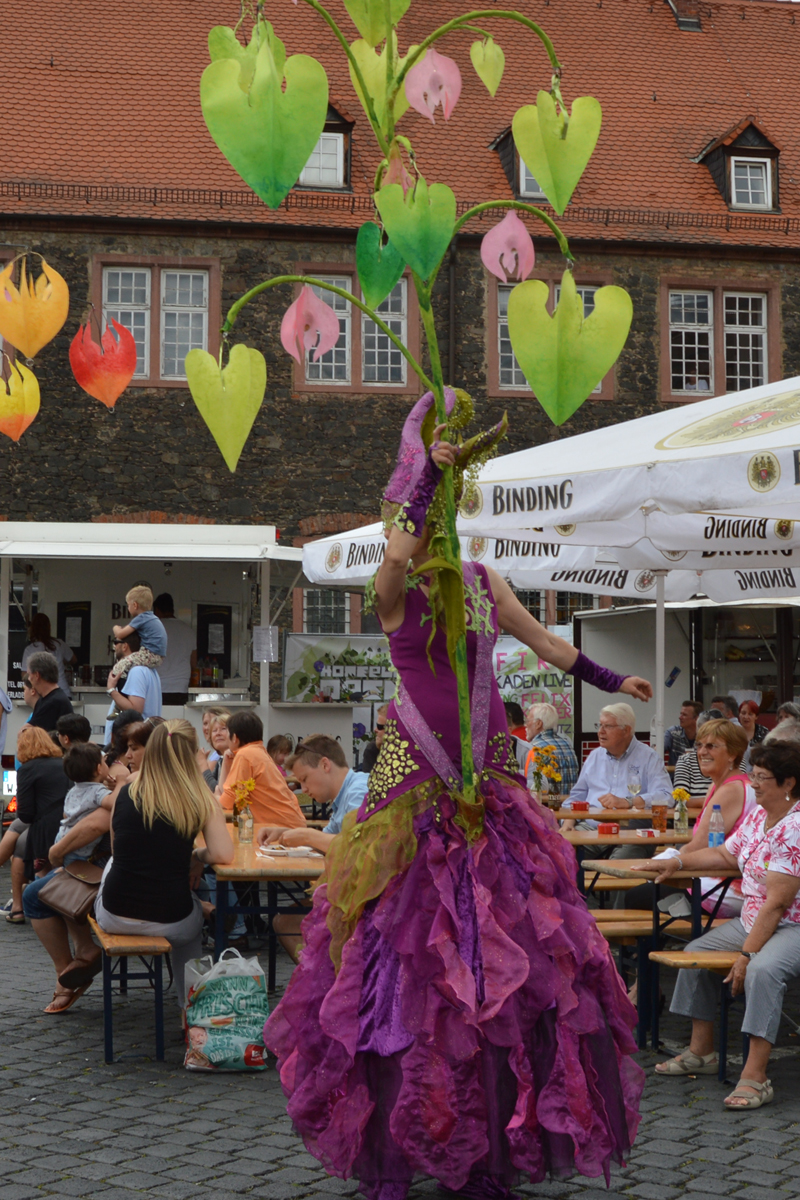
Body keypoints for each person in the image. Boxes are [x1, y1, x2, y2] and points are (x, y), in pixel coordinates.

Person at [265, 403, 650, 1199]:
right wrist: (429, 473)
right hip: (416, 789)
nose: (430, 530)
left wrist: (613, 682)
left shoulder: (480, 582)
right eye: (423, 518)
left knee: (514, 955)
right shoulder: (396, 590)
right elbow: (398, 553)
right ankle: (418, 1127)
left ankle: (501, 1125)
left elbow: (544, 644)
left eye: (439, 516)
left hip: (494, 788)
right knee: (412, 954)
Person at [650, 741, 800, 1108]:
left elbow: (778, 903)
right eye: (754, 775)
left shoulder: (795, 827)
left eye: (763, 778)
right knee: (696, 951)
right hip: (755, 918)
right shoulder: (758, 815)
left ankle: (755, 1075)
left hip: (791, 926)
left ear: (789, 784)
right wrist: (679, 863)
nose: (754, 784)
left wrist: (747, 955)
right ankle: (702, 1051)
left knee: (762, 971)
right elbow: (723, 853)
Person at [94, 719, 233, 1008]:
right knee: (190, 930)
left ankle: (201, 908)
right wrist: (195, 857)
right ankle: (190, 1008)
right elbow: (222, 854)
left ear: (153, 750)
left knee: (112, 866)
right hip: (174, 918)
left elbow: (118, 850)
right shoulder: (199, 796)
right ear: (191, 753)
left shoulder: (127, 790)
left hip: (116, 913)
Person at [257, 734, 369, 961]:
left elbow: (354, 845)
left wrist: (307, 836)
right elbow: (328, 841)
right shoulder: (346, 793)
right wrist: (284, 834)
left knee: (286, 922)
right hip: (354, 893)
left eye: (305, 779)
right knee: (284, 920)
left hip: (364, 902)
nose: (304, 789)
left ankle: (323, 987)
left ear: (325, 764)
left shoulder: (358, 791)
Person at [626, 719, 753, 915]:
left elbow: (700, 845)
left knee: (637, 895)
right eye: (699, 745)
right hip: (717, 875)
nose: (702, 752)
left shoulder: (730, 790)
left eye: (711, 746)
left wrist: (667, 860)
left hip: (725, 885)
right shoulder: (721, 785)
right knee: (645, 887)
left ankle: (656, 944)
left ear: (733, 754)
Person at [564, 702, 673, 827]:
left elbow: (667, 796)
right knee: (565, 843)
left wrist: (629, 802)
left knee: (631, 845)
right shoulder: (594, 756)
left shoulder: (649, 758)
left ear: (626, 730)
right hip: (591, 828)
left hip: (630, 830)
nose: (600, 732)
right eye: (599, 725)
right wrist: (568, 822)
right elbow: (577, 797)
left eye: (608, 726)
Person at [3, 727, 70, 924]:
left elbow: (25, 813)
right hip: (68, 824)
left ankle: (22, 908)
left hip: (44, 828)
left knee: (22, 849)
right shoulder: (64, 763)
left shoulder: (27, 769)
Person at [218, 711, 306, 830]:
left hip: (281, 832)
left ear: (235, 738)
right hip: (291, 826)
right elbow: (230, 794)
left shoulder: (245, 755)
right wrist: (226, 764)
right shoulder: (258, 752)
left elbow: (227, 802)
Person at [104, 632, 162, 744]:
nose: (114, 647)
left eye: (116, 643)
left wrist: (111, 689)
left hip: (133, 741)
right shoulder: (149, 670)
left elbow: (135, 710)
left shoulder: (137, 671)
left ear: (125, 646)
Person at [110, 585, 167, 684]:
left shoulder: (142, 618)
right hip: (157, 656)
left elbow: (120, 634)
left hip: (149, 654)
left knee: (119, 666)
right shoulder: (152, 617)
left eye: (128, 605)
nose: (128, 608)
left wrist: (115, 627)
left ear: (135, 605)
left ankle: (119, 685)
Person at [523, 701, 579, 794]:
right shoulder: (567, 744)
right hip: (569, 805)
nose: (525, 725)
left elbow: (534, 787)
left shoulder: (534, 748)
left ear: (538, 724)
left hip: (547, 805)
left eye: (528, 721)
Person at [153, 592, 197, 705]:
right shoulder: (189, 630)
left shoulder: (153, 629)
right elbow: (194, 664)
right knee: (177, 721)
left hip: (157, 686)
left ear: (157, 610)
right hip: (180, 687)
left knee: (157, 721)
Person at [21, 613, 78, 699]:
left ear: (33, 629)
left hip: (41, 695)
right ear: (49, 627)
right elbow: (74, 660)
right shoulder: (59, 644)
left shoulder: (30, 649)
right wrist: (61, 661)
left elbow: (25, 675)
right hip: (62, 692)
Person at [27, 652, 74, 731]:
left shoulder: (53, 703)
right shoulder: (45, 699)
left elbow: (30, 734)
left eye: (29, 675)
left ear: (37, 675)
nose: (28, 679)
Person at [664, 700, 702, 766]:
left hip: (698, 776)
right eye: (680, 714)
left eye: (684, 715)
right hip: (676, 775)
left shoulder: (705, 735)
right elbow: (658, 750)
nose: (680, 717)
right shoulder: (672, 732)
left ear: (696, 718)